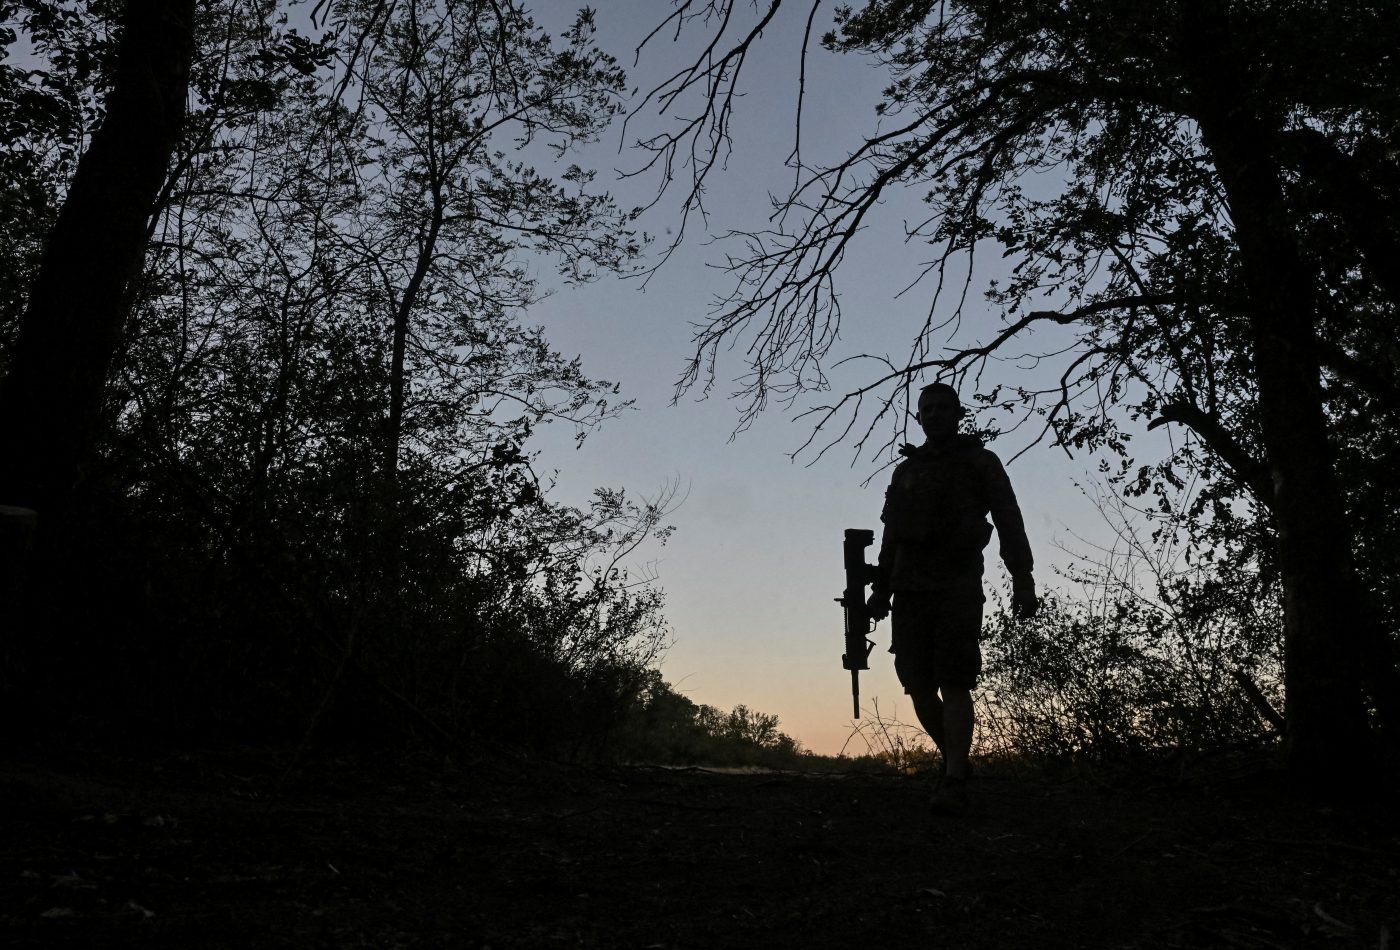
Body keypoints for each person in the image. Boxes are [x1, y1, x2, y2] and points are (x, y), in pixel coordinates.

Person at [866, 382, 1038, 814]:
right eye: (928, 409)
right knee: (918, 685)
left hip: (957, 586)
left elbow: (1008, 519)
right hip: (908, 590)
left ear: (959, 413)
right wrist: (881, 590)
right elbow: (892, 536)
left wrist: (1023, 578)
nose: (936, 414)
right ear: (919, 417)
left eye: (944, 407)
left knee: (955, 680)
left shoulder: (980, 462)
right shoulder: (906, 471)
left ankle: (954, 779)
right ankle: (956, 762)